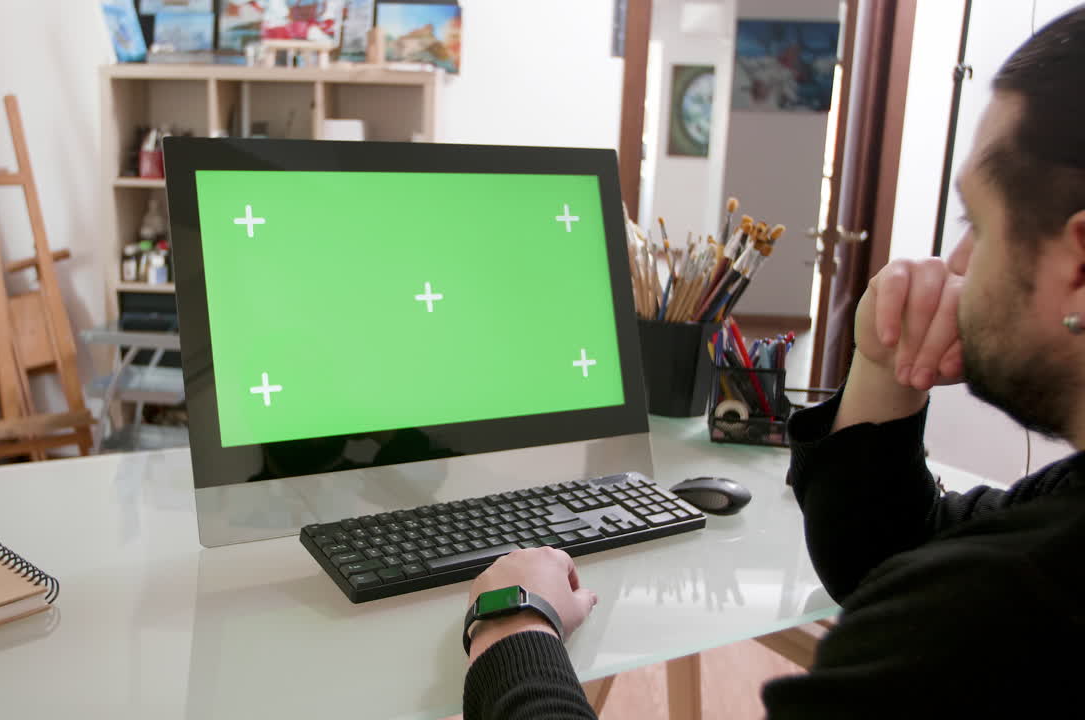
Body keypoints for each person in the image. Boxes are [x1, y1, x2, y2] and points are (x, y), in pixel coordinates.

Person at [461, 7, 1085, 718]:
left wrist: (514, 629)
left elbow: (936, 600)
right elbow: (891, 564)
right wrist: (882, 366)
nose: (959, 263)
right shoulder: (1038, 538)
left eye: (976, 222)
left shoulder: (1004, 614)